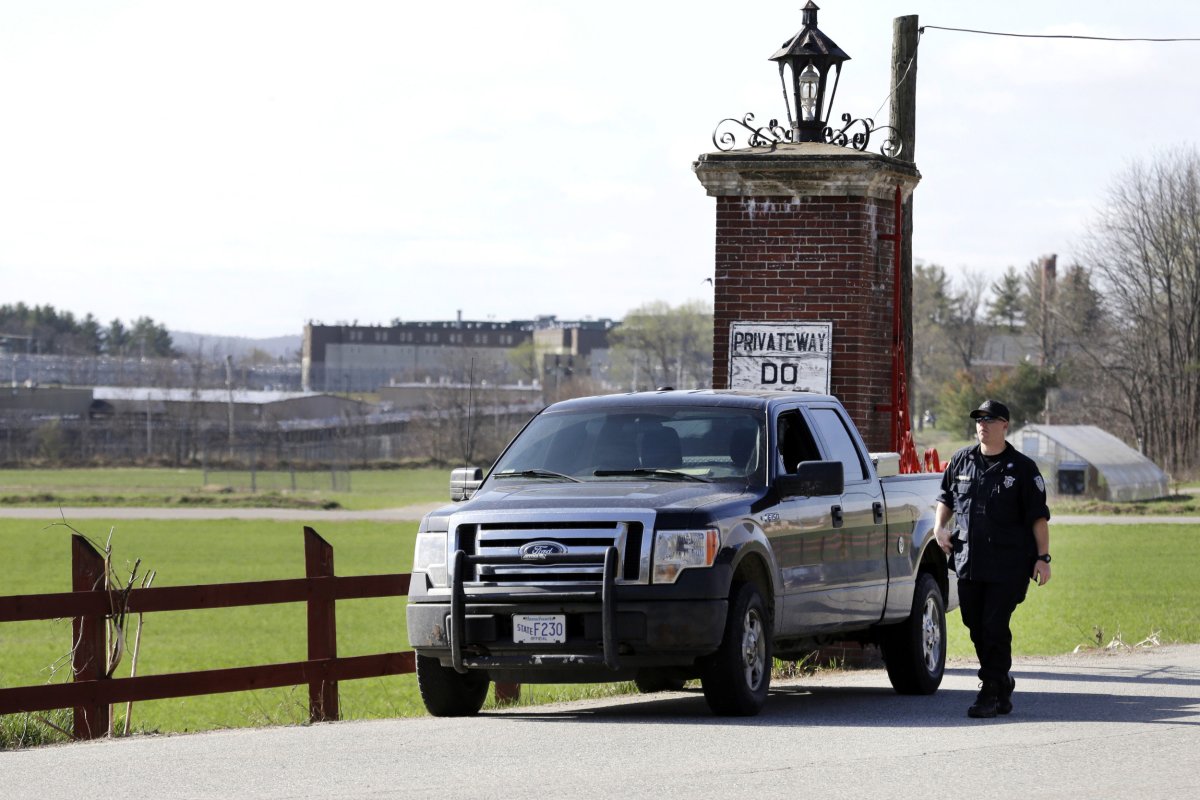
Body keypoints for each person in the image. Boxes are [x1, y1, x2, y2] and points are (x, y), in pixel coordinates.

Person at [934, 399, 1051, 718]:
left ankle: (989, 690)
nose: (982, 424)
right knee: (975, 623)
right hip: (969, 560)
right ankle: (1002, 681)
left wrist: (1043, 557)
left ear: (1005, 426)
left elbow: (1038, 518)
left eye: (990, 419)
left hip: (1009, 564)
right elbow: (945, 498)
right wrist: (939, 526)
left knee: (994, 624)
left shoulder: (1022, 468)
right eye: (979, 419)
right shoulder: (961, 460)